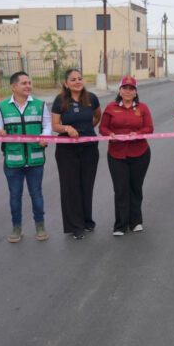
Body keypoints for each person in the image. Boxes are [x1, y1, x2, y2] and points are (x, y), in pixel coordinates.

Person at [0, 71, 51, 243]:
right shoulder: (2, 106)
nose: (28, 86)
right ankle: (16, 227)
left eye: (29, 82)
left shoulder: (40, 105)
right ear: (13, 86)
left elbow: (47, 126)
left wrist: (44, 136)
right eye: (24, 83)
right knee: (14, 195)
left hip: (35, 159)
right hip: (13, 160)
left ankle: (40, 226)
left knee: (36, 194)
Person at [99, 76, 153, 236]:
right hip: (117, 154)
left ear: (136, 91)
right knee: (121, 189)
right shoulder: (111, 107)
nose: (128, 91)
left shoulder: (142, 108)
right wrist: (111, 134)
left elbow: (149, 128)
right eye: (125, 88)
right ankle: (120, 225)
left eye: (131, 88)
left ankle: (136, 221)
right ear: (120, 90)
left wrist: (138, 133)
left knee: (135, 188)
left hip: (140, 153)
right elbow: (102, 128)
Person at [51, 68, 101, 240]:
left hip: (89, 148)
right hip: (67, 150)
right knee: (71, 187)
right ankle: (75, 226)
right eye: (73, 80)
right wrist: (68, 128)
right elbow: (55, 125)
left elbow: (96, 117)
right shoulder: (60, 100)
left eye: (80, 78)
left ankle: (87, 221)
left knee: (87, 185)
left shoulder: (92, 98)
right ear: (66, 84)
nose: (77, 82)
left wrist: (86, 130)